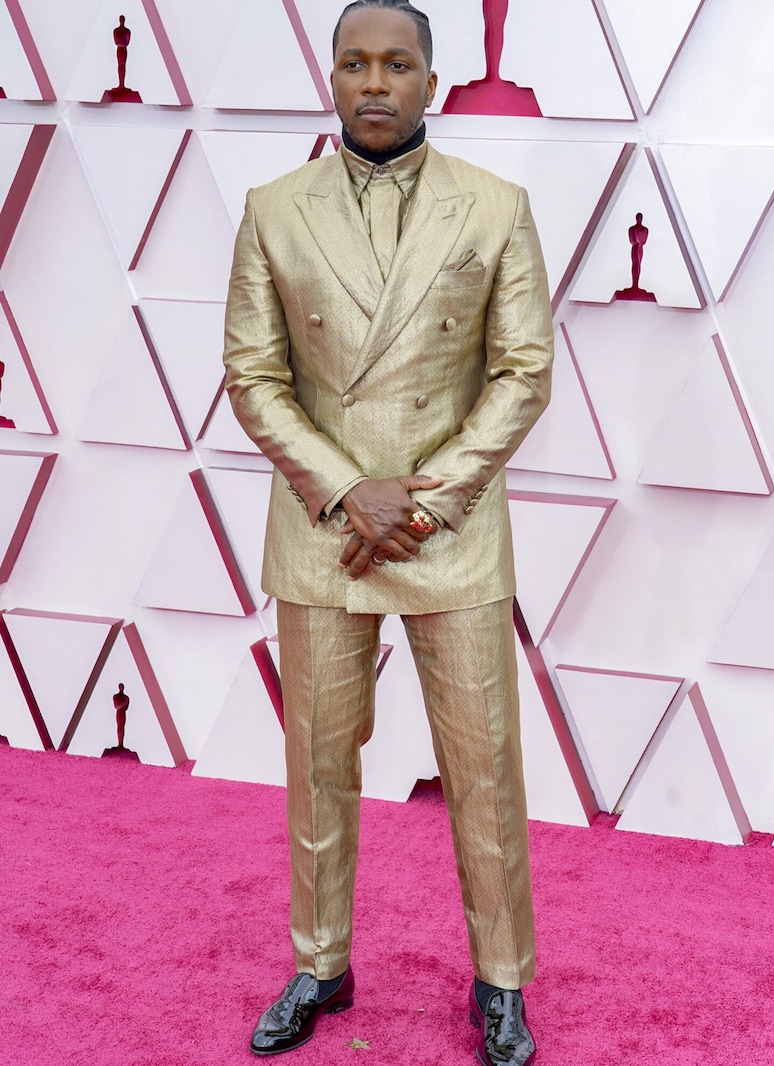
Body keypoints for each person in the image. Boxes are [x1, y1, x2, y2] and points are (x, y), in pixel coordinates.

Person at [223, 2, 553, 1062]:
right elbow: (254, 375)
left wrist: (417, 500)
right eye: (354, 63)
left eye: (396, 64)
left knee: (484, 767)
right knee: (317, 762)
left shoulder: (495, 207)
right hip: (325, 535)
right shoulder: (273, 208)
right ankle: (320, 961)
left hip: (445, 534)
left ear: (431, 81)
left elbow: (521, 372)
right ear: (328, 77)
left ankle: (499, 980)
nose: (374, 82)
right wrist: (341, 490)